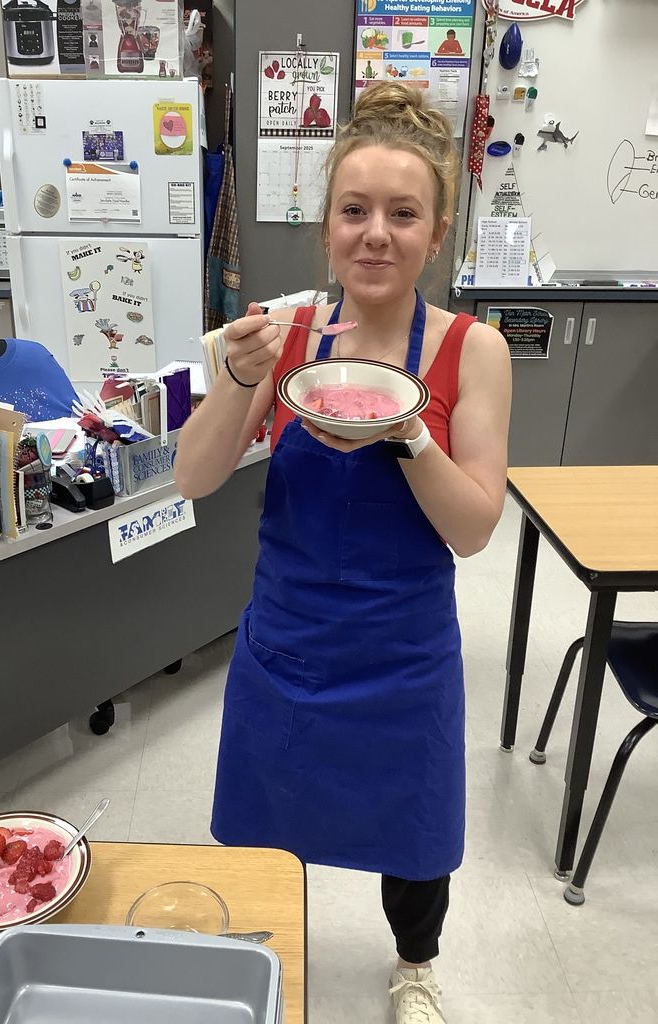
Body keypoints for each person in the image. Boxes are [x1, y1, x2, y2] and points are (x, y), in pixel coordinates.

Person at [175, 81, 511, 1024]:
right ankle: (256, 956)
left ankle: (415, 967)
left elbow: (475, 527)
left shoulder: (470, 350)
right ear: (325, 228)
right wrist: (234, 379)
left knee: (415, 837)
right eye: (354, 211)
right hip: (288, 643)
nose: (376, 234)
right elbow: (195, 479)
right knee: (258, 824)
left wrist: (408, 435)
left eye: (403, 214)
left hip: (404, 653)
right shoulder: (288, 337)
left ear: (434, 234)